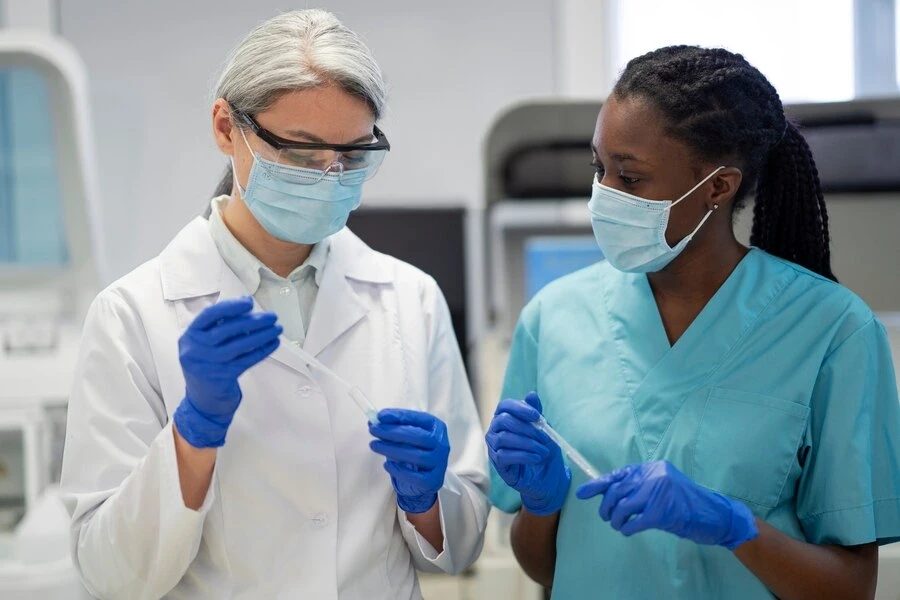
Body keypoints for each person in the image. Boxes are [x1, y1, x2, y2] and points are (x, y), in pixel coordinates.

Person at [60, 10, 489, 599]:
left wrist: (430, 501)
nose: (329, 176)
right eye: (301, 151)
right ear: (224, 127)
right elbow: (109, 574)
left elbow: (460, 548)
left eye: (352, 155)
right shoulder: (132, 314)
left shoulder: (410, 298)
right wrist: (192, 437)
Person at [486, 46, 900, 599]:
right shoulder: (554, 318)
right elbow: (546, 568)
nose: (603, 196)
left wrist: (734, 526)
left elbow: (850, 589)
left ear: (717, 187)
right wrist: (540, 504)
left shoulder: (833, 332)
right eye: (598, 168)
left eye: (630, 179)